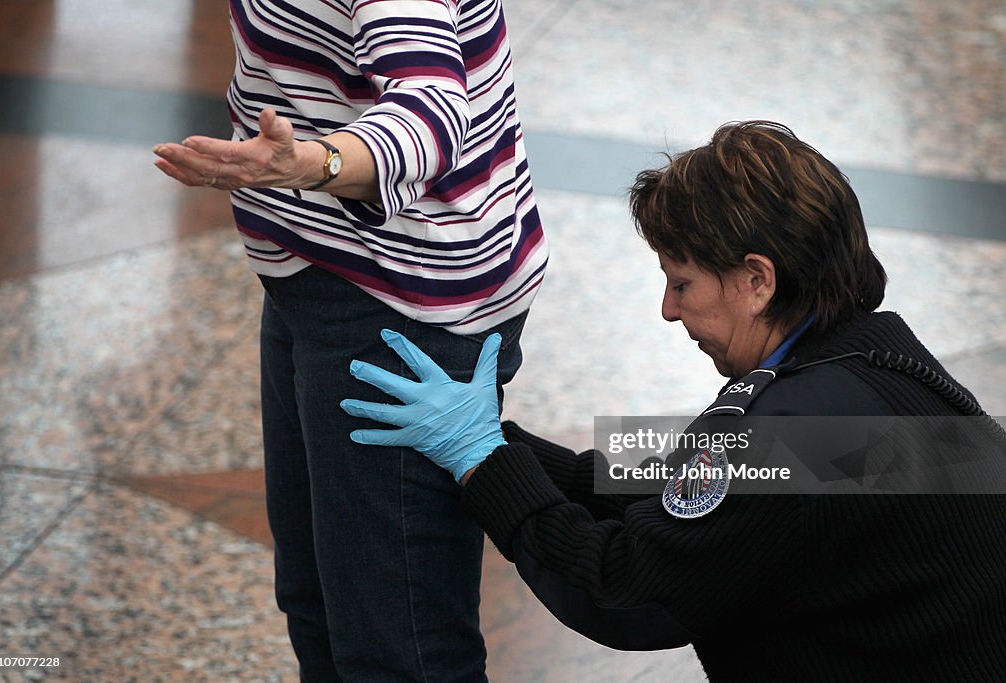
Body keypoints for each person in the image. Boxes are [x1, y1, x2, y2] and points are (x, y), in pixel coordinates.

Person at [340, 121, 1006, 681]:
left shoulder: (794, 427)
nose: (668, 309)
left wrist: (481, 460)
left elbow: (626, 589)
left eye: (682, 281)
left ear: (756, 280)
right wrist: (500, 445)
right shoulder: (873, 368)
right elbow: (681, 499)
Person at [152, 1, 547, 680]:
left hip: (400, 307)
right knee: (319, 605)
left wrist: (313, 164)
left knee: (399, 647)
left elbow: (430, 113)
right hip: (318, 269)